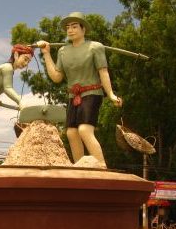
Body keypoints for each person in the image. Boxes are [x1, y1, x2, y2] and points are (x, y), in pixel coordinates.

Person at [37, 11, 122, 167]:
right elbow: (57, 77)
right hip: (73, 97)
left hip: (92, 93)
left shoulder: (95, 47)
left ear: (83, 29)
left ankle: (101, 164)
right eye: (68, 27)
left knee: (84, 129)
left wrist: (110, 94)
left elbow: (103, 72)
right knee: (71, 132)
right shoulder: (63, 51)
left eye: (74, 26)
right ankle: (79, 165)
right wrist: (46, 54)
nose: (70, 30)